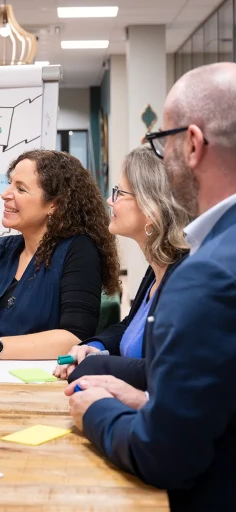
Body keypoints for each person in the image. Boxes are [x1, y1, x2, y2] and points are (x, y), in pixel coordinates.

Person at [68, 62, 236, 510]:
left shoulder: (206, 273)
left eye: (164, 142)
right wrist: (146, 395)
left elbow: (165, 454)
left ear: (194, 144)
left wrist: (98, 412)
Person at [0, 150, 121, 367]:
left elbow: (75, 337)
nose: (5, 194)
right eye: (9, 183)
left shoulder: (78, 249)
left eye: (20, 188)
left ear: (53, 204)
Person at [54, 146, 190, 387]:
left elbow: (165, 370)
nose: (109, 200)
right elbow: (129, 327)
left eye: (118, 192)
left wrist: (93, 367)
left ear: (151, 208)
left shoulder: (186, 278)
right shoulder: (157, 269)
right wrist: (94, 346)